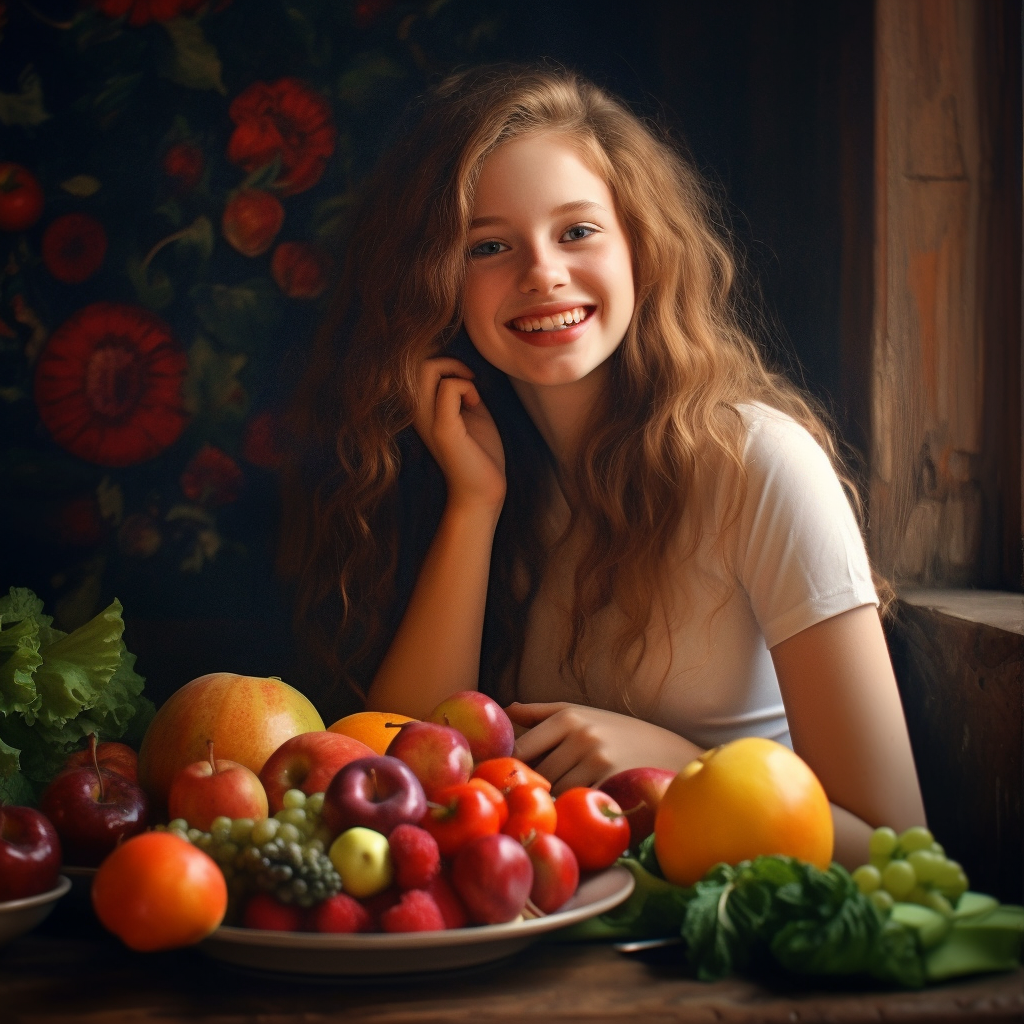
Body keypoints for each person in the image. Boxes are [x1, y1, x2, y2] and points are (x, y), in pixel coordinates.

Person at [279, 64, 926, 869]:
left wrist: (676, 766)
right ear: (439, 286)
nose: (542, 272)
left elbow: (901, 849)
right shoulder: (494, 478)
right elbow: (399, 781)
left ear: (641, 250)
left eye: (577, 231)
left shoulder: (759, 463)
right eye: (488, 246)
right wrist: (474, 506)